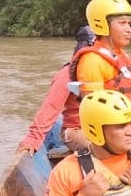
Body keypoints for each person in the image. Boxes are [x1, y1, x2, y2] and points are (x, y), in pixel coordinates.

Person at [69, 0, 131, 143]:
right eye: (122, 23)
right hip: (111, 140)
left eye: (129, 23)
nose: (129, 29)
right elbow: (94, 111)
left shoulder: (121, 55)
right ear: (102, 25)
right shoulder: (92, 60)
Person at [15, 26, 96, 155]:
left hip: (104, 130)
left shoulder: (110, 71)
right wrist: (33, 138)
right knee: (104, 149)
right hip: (75, 131)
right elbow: (51, 107)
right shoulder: (67, 74)